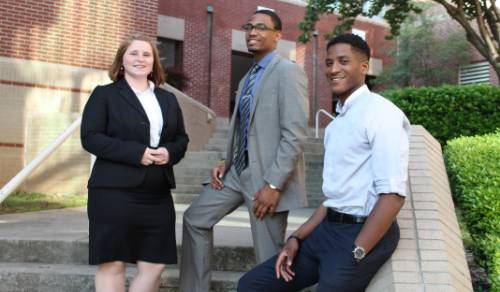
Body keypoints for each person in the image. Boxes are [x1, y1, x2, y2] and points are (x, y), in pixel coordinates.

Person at [237, 33, 411, 292]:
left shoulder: (382, 114)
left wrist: (358, 251)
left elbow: (393, 195)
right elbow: (333, 201)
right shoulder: (336, 125)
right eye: (329, 63)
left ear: (364, 67)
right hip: (327, 231)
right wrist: (297, 237)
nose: (333, 69)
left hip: (360, 234)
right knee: (252, 286)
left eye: (343, 61)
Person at [179, 9, 309, 292]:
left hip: (267, 177)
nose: (252, 32)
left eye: (261, 27)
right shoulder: (247, 77)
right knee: (195, 218)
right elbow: (244, 128)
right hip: (236, 173)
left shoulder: (288, 72)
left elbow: (295, 134)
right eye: (249, 26)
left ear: (277, 36)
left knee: (269, 257)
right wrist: (227, 159)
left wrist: (274, 184)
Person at [81, 33, 189, 292]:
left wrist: (169, 153)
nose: (140, 59)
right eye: (133, 53)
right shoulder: (104, 95)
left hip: (156, 194)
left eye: (146, 54)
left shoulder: (168, 99)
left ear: (153, 63)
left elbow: (181, 139)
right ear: (122, 61)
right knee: (113, 263)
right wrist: (136, 153)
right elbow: (91, 138)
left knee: (154, 265)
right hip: (113, 192)